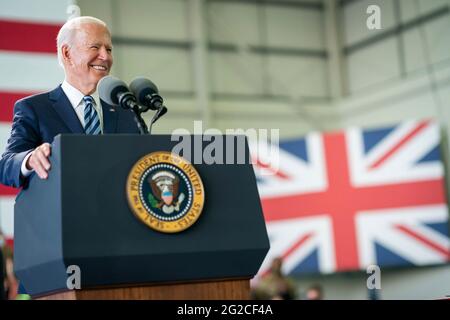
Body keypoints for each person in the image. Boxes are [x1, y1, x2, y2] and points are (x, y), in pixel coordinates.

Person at [0, 16, 139, 188]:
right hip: (64, 213)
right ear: (67, 53)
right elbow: (6, 166)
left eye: (109, 49)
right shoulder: (34, 109)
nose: (105, 56)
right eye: (95, 47)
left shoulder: (126, 111)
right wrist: (30, 159)